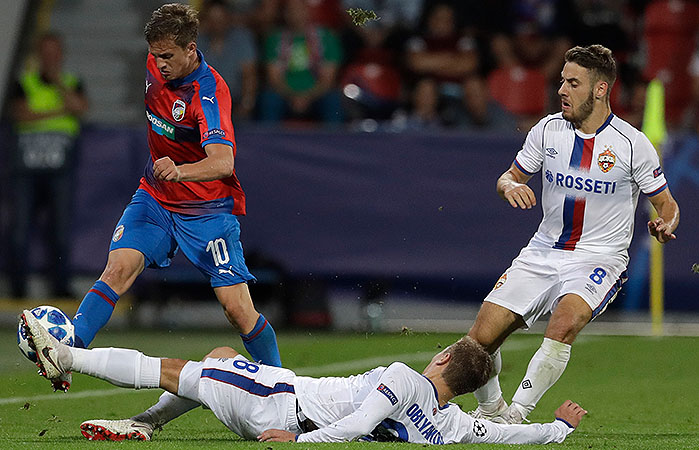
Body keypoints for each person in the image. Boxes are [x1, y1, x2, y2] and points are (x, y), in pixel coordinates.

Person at [64, 3, 281, 393]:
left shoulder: (209, 92)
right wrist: (168, 175)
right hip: (156, 199)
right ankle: (65, 355)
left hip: (206, 211)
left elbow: (224, 161)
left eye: (168, 56)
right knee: (117, 270)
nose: (159, 64)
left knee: (238, 311)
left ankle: (285, 388)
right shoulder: (153, 68)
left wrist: (180, 170)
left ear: (191, 49)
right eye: (154, 55)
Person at [467, 44, 680, 424]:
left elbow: (667, 204)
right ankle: (491, 411)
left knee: (563, 324)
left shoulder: (632, 144)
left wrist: (666, 224)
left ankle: (517, 414)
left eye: (573, 83)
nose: (562, 90)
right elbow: (510, 176)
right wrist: (508, 186)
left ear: (600, 90)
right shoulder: (547, 129)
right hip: (542, 252)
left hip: (599, 259)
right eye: (562, 81)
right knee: (480, 339)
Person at [22, 310, 586, 444]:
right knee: (219, 356)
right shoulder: (452, 425)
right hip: (280, 396)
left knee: (169, 370)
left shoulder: (403, 378)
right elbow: (512, 434)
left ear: (441, 361)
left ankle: (63, 356)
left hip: (282, 407)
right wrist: (557, 429)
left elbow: (362, 420)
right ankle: (144, 425)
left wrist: (300, 440)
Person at [7, 31, 89, 298]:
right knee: (19, 230)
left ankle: (60, 288)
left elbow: (80, 107)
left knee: (61, 232)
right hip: (25, 171)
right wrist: (58, 111)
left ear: (61, 55)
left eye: (55, 52)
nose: (50, 58)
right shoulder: (24, 83)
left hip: (60, 171)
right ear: (38, 55)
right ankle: (17, 288)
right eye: (46, 52)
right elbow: (19, 113)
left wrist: (58, 87)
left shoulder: (72, 82)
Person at [258, 0, 344, 124]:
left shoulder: (326, 37)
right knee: (269, 100)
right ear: (285, 14)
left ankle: (336, 142)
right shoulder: (274, 39)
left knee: (333, 100)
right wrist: (294, 97)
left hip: (317, 94)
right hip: (284, 95)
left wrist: (306, 97)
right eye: (291, 10)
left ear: (307, 11)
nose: (295, 14)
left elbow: (327, 80)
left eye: (300, 10)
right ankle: (266, 143)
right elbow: (274, 79)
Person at [197, 0, 258, 121]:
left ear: (229, 18)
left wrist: (246, 104)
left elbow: (249, 75)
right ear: (206, 21)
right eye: (213, 20)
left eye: (220, 19)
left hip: (234, 101)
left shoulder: (242, 38)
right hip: (203, 102)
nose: (217, 24)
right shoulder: (197, 42)